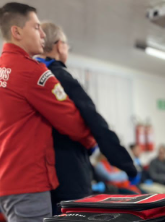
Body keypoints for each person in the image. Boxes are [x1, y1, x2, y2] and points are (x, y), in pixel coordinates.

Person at [0, 2, 96, 222]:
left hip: (1, 178)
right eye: (36, 27)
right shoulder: (31, 71)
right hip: (27, 181)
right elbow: (69, 119)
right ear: (16, 32)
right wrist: (91, 141)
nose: (42, 34)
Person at [34, 22, 138, 213]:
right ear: (59, 45)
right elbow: (96, 123)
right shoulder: (61, 78)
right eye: (67, 45)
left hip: (38, 174)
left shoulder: (31, 77)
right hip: (69, 171)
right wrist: (127, 165)